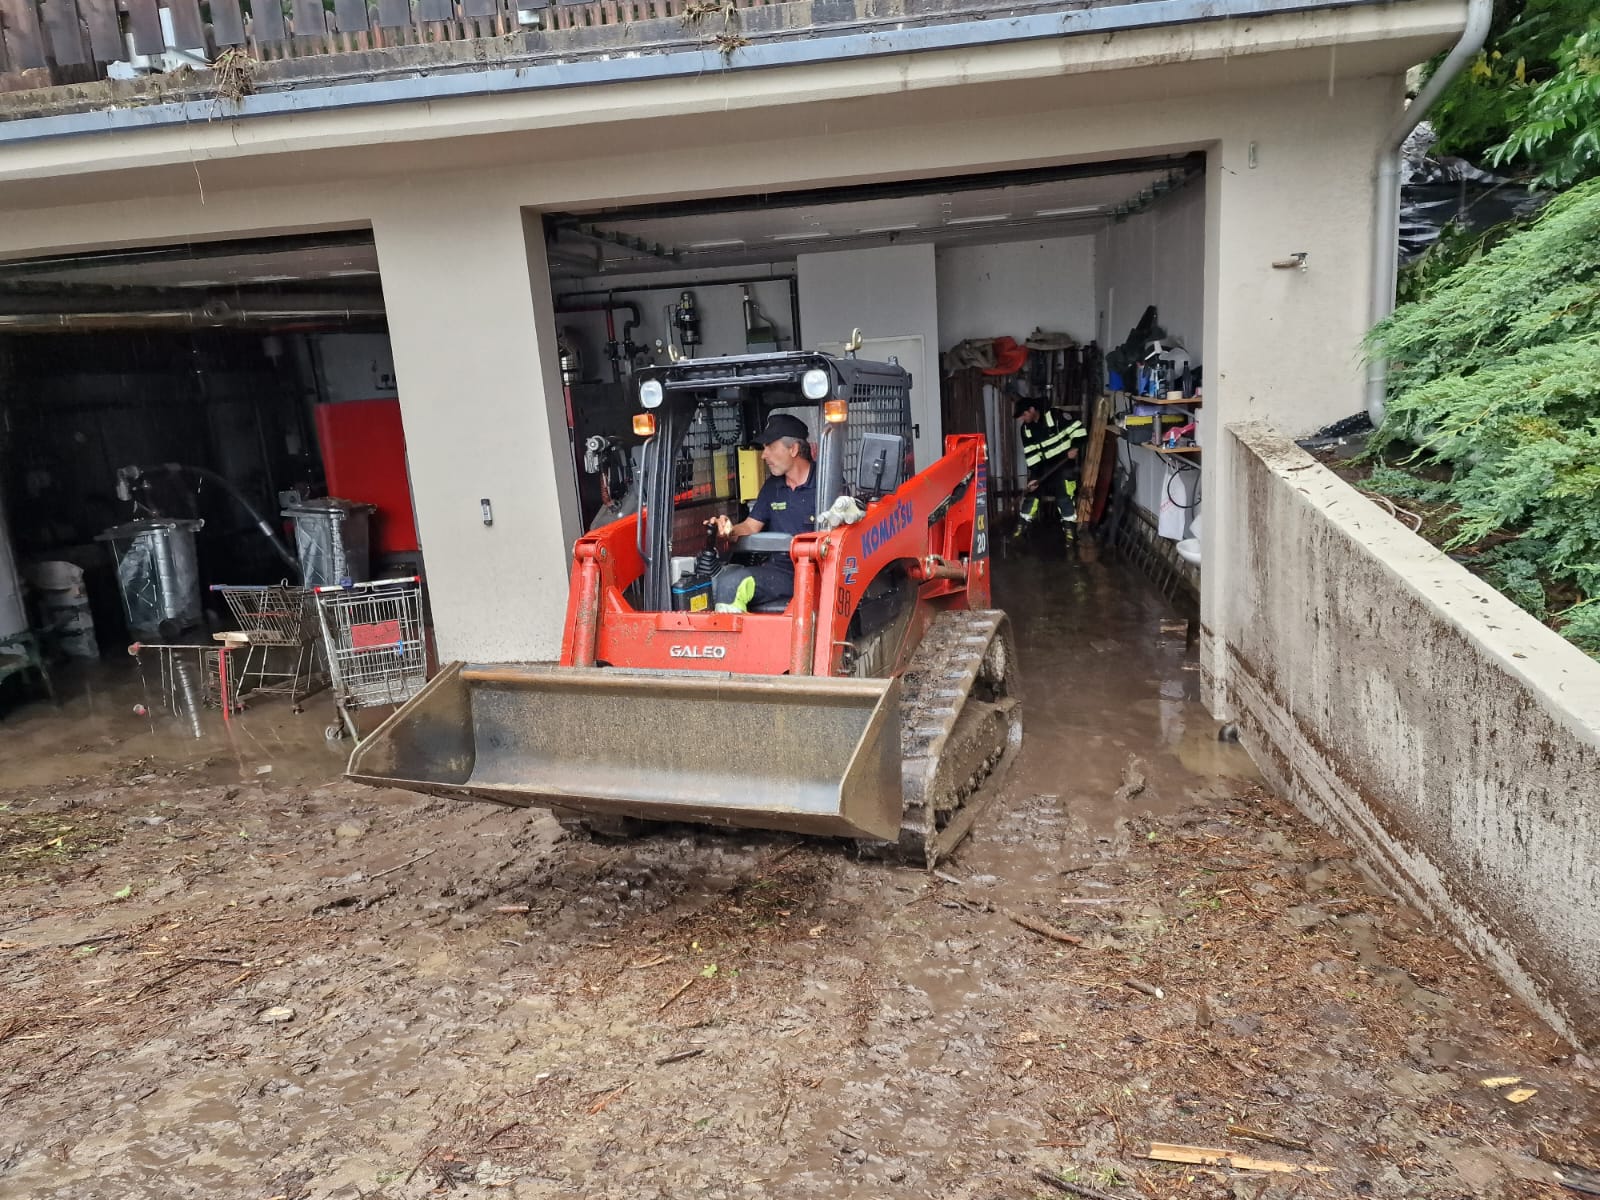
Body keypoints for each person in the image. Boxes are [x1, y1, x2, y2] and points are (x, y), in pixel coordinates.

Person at [708, 413, 816, 613]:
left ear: (793, 449)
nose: (763, 455)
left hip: (819, 574)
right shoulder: (772, 487)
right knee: (730, 583)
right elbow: (750, 526)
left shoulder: (826, 482)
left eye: (770, 447)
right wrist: (728, 530)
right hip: (781, 573)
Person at [1014, 397, 1086, 542]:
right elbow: (1032, 456)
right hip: (1044, 469)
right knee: (1032, 494)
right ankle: (1021, 527)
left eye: (1024, 414)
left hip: (1064, 464)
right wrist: (1035, 476)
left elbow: (1080, 430)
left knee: (1064, 493)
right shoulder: (1026, 430)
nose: (1022, 418)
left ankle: (1069, 529)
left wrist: (1075, 447)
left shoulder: (1056, 416)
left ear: (1032, 410)